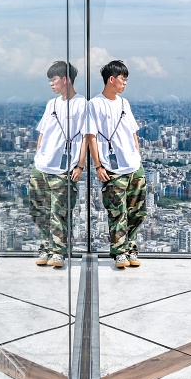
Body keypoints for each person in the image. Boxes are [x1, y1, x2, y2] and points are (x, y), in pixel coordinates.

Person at [86, 60, 146, 269]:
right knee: (116, 211)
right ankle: (120, 252)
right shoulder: (94, 105)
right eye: (123, 79)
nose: (125, 83)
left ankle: (131, 248)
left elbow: (132, 132)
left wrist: (137, 155)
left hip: (133, 166)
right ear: (112, 79)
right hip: (112, 168)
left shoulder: (124, 103)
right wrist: (98, 166)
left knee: (137, 211)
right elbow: (90, 137)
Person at [29, 61, 87, 268]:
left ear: (65, 80)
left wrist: (79, 166)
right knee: (39, 210)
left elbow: (87, 138)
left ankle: (59, 251)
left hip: (63, 168)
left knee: (60, 212)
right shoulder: (51, 104)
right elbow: (43, 132)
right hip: (42, 166)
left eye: (53, 79)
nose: (51, 84)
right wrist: (38, 155)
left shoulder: (82, 105)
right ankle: (46, 246)